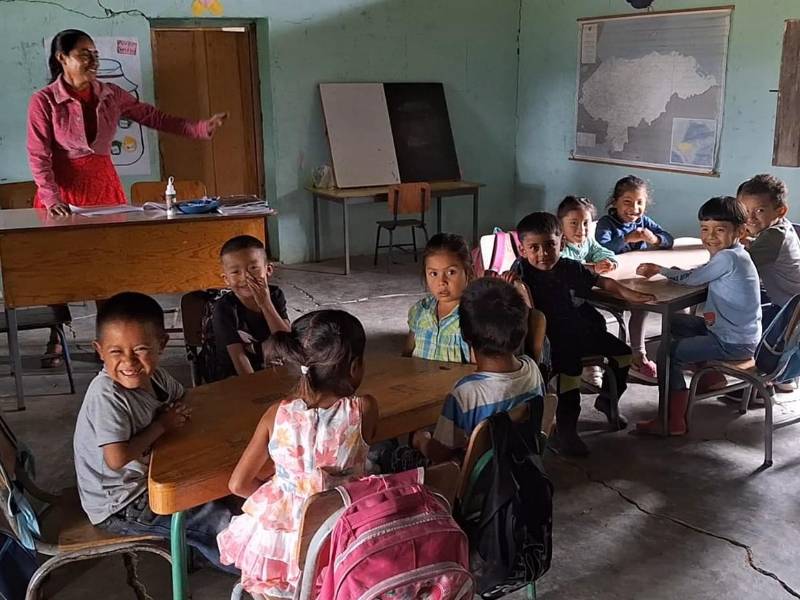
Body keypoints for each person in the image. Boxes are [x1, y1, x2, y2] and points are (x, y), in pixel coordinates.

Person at [28, 29, 227, 365]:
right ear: (62, 58)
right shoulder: (44, 101)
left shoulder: (111, 94)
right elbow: (38, 155)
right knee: (59, 268)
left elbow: (153, 117)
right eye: (83, 54)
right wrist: (51, 198)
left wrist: (198, 128)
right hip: (61, 192)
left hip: (103, 187)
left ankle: (107, 338)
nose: (92, 60)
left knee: (106, 265)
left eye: (94, 53)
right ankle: (57, 332)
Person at [217, 309, 379, 597]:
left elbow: (238, 484)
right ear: (355, 366)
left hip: (283, 551)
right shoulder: (363, 409)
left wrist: (282, 494)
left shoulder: (275, 415)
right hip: (344, 538)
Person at [73, 292, 234, 570]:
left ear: (162, 344)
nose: (129, 362)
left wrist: (175, 416)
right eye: (116, 352)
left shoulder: (156, 377)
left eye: (140, 350)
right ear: (99, 350)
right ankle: (259, 574)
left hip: (149, 479)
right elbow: (116, 458)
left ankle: (196, 553)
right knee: (217, 522)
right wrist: (162, 425)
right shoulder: (106, 395)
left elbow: (184, 399)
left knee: (226, 487)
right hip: (122, 503)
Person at [513, 212, 655, 456]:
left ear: (561, 244)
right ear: (522, 250)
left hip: (578, 330)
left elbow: (602, 282)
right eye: (534, 247)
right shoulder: (520, 272)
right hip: (548, 341)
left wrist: (628, 293)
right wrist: (507, 281)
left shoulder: (569, 267)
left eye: (550, 245)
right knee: (570, 373)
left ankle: (608, 400)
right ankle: (566, 431)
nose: (543, 253)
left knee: (623, 354)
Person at [635, 196, 762, 435]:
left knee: (667, 352)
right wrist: (676, 272)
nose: (710, 236)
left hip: (730, 342)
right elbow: (702, 272)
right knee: (674, 323)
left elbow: (693, 279)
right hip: (738, 335)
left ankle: (671, 420)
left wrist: (661, 270)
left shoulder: (727, 257)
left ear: (740, 231)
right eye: (705, 229)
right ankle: (710, 378)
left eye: (720, 230)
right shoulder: (737, 254)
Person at [410, 278, 546, 464]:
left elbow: (440, 454)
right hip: (523, 468)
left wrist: (422, 441)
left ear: (465, 335)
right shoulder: (532, 369)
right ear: (521, 331)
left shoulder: (465, 394)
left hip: (476, 479)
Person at [595, 176, 675, 383]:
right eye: (627, 202)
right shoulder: (606, 223)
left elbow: (668, 238)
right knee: (641, 305)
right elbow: (602, 249)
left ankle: (676, 347)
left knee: (673, 295)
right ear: (615, 202)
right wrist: (626, 239)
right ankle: (638, 356)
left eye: (640, 202)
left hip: (635, 276)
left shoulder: (643, 221)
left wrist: (655, 239)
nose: (634, 208)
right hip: (612, 280)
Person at [735, 174, 800, 394]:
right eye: (745, 211)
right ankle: (783, 379)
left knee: (737, 328)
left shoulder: (773, 237)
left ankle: (755, 386)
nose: (750, 218)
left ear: (780, 211)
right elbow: (765, 247)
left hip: (789, 312)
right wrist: (750, 242)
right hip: (790, 305)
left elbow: (737, 269)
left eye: (759, 211)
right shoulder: (782, 227)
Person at [558, 195, 618, 388]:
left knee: (597, 322)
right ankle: (584, 366)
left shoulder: (586, 242)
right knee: (583, 326)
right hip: (562, 303)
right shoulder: (558, 245)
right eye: (573, 223)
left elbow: (603, 252)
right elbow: (567, 266)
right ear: (560, 225)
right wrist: (593, 267)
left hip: (580, 300)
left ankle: (593, 364)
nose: (581, 229)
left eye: (586, 223)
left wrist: (609, 262)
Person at [213, 235, 290, 379]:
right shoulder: (224, 308)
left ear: (268, 270)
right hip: (237, 376)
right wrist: (257, 387)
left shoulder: (275, 295)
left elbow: (287, 344)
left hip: (271, 366)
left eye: (253, 268)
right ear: (226, 279)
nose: (245, 277)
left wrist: (265, 303)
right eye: (235, 272)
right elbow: (239, 359)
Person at [404, 233, 474, 363]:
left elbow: (479, 369)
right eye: (433, 273)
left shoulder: (474, 318)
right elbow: (406, 356)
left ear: (468, 272)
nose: (441, 282)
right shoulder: (420, 311)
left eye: (451, 272)